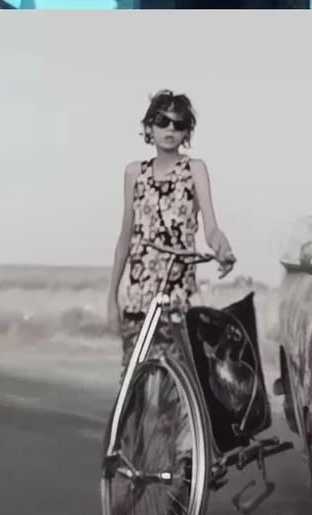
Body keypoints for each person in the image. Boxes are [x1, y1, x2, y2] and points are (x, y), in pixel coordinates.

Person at [108, 90, 236, 363]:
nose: (170, 129)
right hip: (139, 294)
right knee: (134, 378)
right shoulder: (134, 173)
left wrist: (223, 249)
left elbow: (211, 228)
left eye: (179, 124)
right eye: (162, 121)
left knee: (176, 380)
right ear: (149, 127)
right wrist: (112, 298)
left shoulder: (194, 169)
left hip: (178, 296)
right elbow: (125, 238)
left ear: (187, 132)